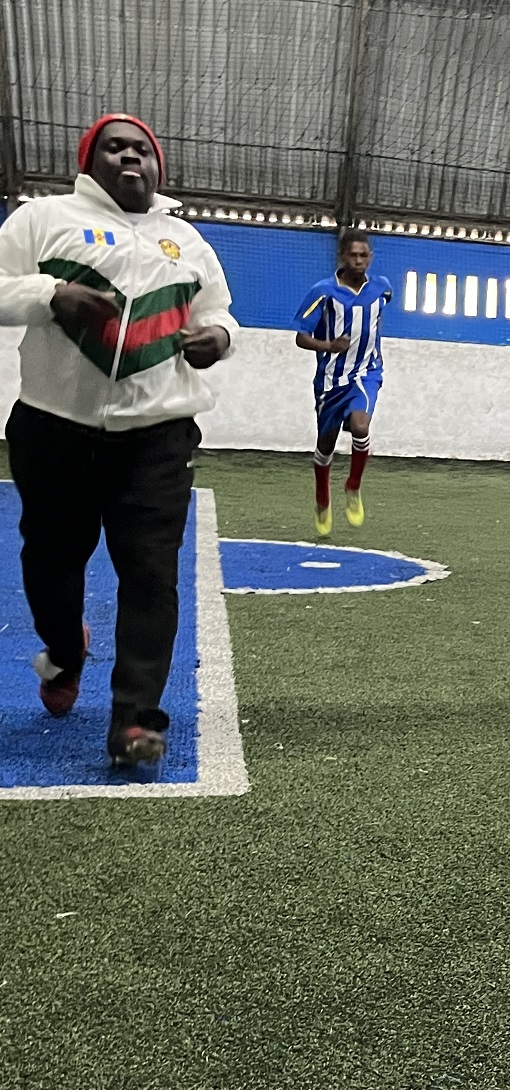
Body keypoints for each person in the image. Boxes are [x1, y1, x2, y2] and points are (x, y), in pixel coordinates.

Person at [2, 114, 237, 767]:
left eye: (142, 149)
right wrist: (51, 294)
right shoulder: (42, 219)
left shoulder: (186, 241)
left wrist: (218, 339)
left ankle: (135, 723)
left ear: (158, 165)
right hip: (53, 428)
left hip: (156, 437)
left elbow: (217, 313)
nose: (131, 156)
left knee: (151, 574)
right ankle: (64, 650)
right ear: (89, 160)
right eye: (115, 147)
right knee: (50, 566)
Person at [293, 229, 391, 536]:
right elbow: (301, 337)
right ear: (342, 257)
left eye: (363, 255)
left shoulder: (382, 289)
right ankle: (322, 499)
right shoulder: (323, 292)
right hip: (331, 380)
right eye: (353, 255)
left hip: (366, 373)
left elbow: (375, 322)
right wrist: (329, 346)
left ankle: (353, 485)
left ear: (370, 257)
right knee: (326, 445)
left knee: (361, 427)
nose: (358, 261)